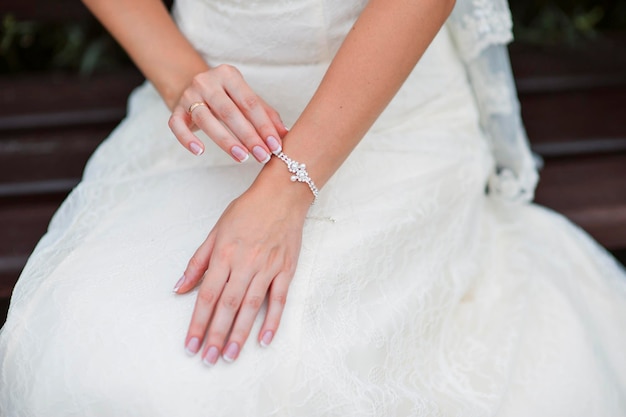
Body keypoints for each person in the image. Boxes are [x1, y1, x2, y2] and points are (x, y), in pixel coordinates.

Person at [1, 0, 625, 415]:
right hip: (210, 109)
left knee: (242, 376)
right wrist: (186, 82)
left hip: (383, 114)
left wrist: (286, 189)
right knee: (96, 358)